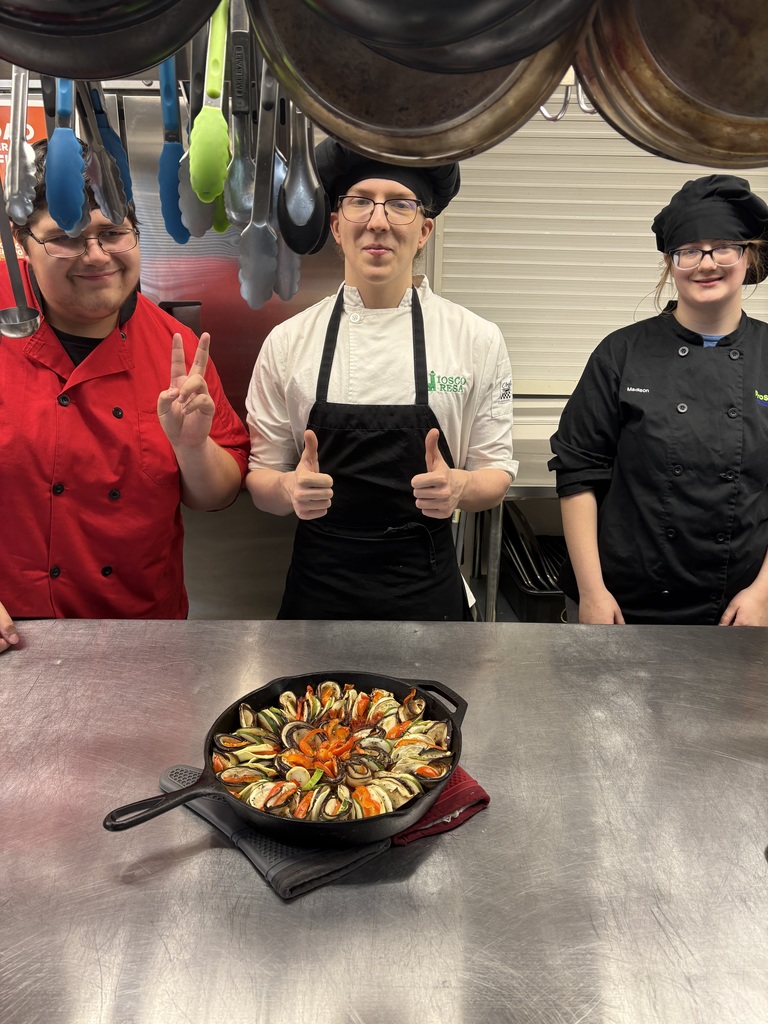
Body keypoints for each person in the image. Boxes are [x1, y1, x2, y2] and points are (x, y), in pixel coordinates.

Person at [245, 140, 517, 620]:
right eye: (360, 201)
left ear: (425, 230)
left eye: (400, 204)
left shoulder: (476, 339)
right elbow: (260, 477)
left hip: (427, 590)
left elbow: (495, 473)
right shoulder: (287, 342)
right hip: (318, 594)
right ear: (335, 225)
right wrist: (287, 490)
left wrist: (460, 487)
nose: (378, 220)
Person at [0, 140, 250, 652]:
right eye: (66, 238)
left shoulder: (174, 349)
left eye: (112, 233)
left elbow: (218, 494)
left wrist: (192, 448)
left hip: (141, 639)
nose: (95, 256)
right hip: (12, 635)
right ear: (20, 241)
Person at [548, 174, 768, 626]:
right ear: (671, 264)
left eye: (723, 246)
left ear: (748, 256)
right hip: (620, 602)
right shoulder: (621, 352)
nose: (705, 263)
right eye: (688, 251)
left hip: (739, 607)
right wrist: (591, 592)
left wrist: (763, 595)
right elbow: (577, 475)